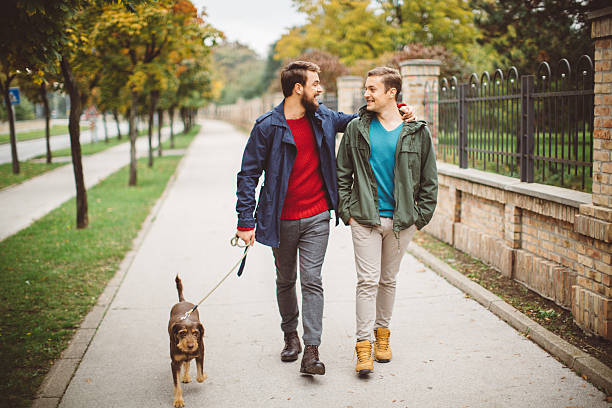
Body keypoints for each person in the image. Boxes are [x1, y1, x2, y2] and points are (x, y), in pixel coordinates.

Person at [235, 61, 415, 376]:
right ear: (298, 88)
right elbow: (248, 175)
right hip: (280, 219)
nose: (320, 89)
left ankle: (312, 351)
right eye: (315, 83)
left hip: (317, 215)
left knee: (312, 281)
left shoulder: (324, 118)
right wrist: (245, 222)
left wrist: (396, 108)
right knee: (285, 279)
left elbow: (360, 118)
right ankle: (290, 335)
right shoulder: (268, 126)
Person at [336, 66, 438, 376]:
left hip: (400, 222)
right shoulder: (357, 128)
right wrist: (348, 211)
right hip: (364, 218)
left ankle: (383, 336)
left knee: (388, 280)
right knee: (367, 281)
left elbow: (429, 180)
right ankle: (363, 346)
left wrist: (418, 218)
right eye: (366, 88)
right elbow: (343, 173)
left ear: (391, 92)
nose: (366, 93)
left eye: (372, 89)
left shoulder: (417, 131)